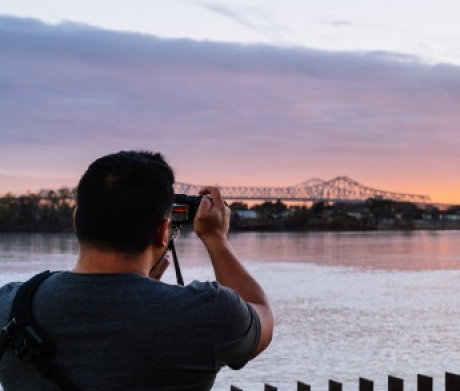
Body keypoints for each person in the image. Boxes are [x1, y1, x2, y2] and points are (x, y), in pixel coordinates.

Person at [0, 151, 274, 390]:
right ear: (163, 232)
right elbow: (259, 312)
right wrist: (217, 239)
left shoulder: (10, 305)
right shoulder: (206, 312)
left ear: (76, 220)